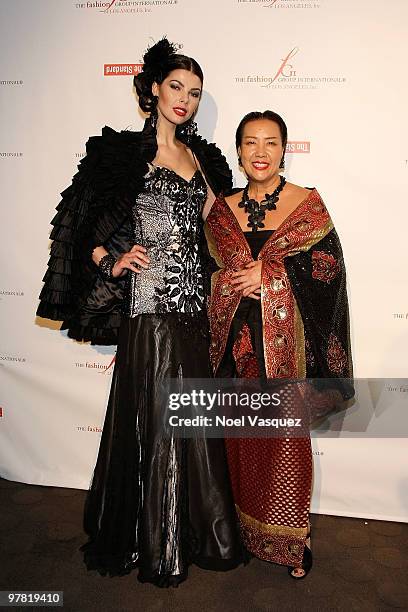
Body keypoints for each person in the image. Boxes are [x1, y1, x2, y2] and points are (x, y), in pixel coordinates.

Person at [36, 38, 243, 587]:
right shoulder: (119, 154)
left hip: (194, 308)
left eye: (195, 93)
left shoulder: (206, 160)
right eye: (176, 87)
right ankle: (152, 537)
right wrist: (112, 258)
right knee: (150, 416)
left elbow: (219, 234)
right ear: (153, 88)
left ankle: (191, 529)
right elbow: (78, 228)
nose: (185, 99)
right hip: (148, 309)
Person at [204, 110, 353, 578]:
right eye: (251, 143)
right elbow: (201, 272)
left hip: (283, 349)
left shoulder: (307, 205)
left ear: (284, 149)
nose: (261, 152)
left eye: (271, 142)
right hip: (236, 345)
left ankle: (293, 541)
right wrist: (232, 281)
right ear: (239, 150)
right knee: (238, 442)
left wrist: (269, 275)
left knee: (285, 443)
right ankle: (242, 533)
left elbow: (329, 270)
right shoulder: (222, 210)